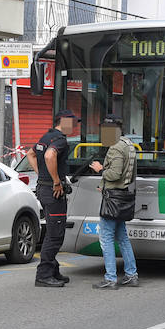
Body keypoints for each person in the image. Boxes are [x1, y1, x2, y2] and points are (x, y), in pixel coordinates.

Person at [27, 109, 81, 287]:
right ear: (64, 122)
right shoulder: (60, 140)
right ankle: (43, 275)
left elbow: (30, 154)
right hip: (53, 191)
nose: (74, 126)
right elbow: (50, 155)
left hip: (43, 188)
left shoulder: (46, 136)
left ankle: (53, 270)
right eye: (73, 123)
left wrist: (42, 174)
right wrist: (56, 181)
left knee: (53, 230)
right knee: (55, 235)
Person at [92, 115, 139, 289]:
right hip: (123, 195)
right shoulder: (129, 144)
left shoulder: (115, 148)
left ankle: (110, 278)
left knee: (106, 238)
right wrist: (104, 185)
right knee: (122, 238)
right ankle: (131, 275)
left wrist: (101, 170)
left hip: (113, 199)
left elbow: (115, 173)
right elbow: (129, 174)